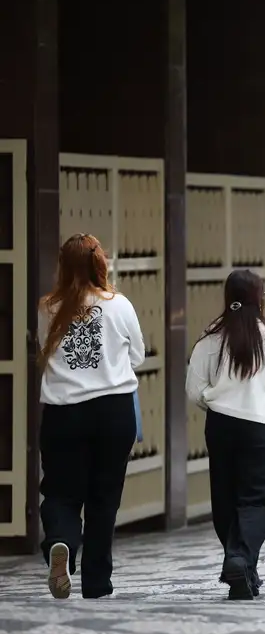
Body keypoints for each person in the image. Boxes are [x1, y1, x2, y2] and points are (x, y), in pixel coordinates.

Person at [37, 233, 146, 600]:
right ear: (101, 263)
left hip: (63, 412)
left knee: (60, 491)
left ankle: (61, 542)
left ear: (63, 266)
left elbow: (44, 351)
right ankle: (97, 583)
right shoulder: (119, 304)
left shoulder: (47, 307)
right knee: (104, 497)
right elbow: (138, 356)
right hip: (112, 411)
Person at [186, 269, 265, 600]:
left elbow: (194, 387)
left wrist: (214, 401)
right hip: (260, 426)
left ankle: (243, 566)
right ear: (258, 297)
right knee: (256, 498)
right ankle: (240, 558)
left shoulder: (210, 337)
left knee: (225, 496)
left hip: (220, 424)